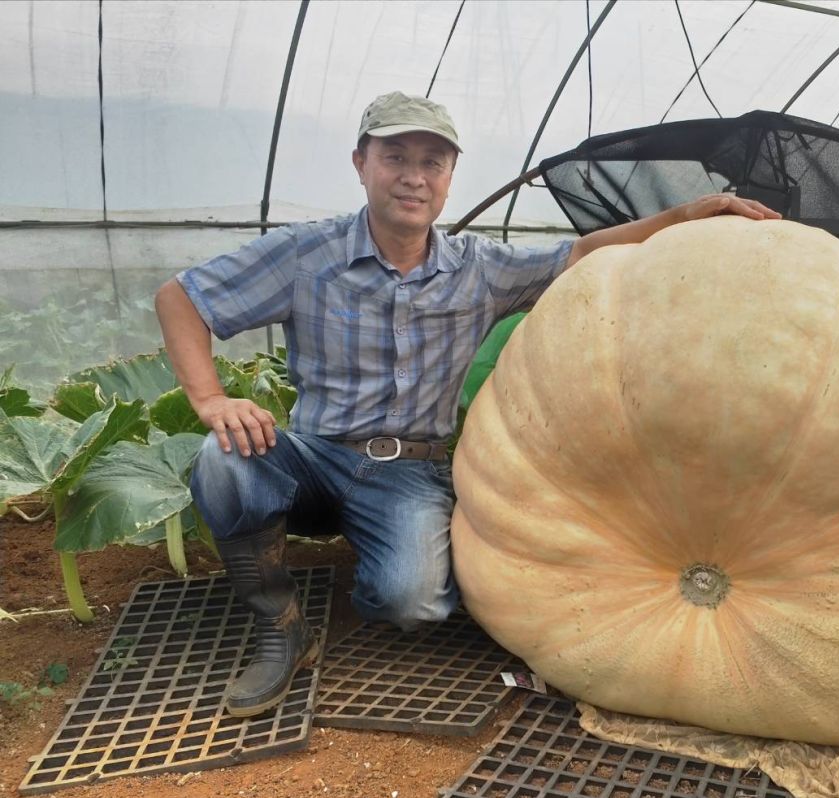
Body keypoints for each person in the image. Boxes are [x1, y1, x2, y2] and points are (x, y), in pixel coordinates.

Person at [155, 91, 779, 718]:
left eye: (433, 163)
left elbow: (584, 255)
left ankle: (373, 570)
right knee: (224, 458)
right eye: (395, 157)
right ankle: (279, 624)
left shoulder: (479, 268)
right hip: (312, 457)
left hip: (407, 472)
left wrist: (684, 215)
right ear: (360, 163)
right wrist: (210, 399)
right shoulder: (306, 255)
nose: (413, 177)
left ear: (450, 178)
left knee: (412, 602)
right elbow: (182, 297)